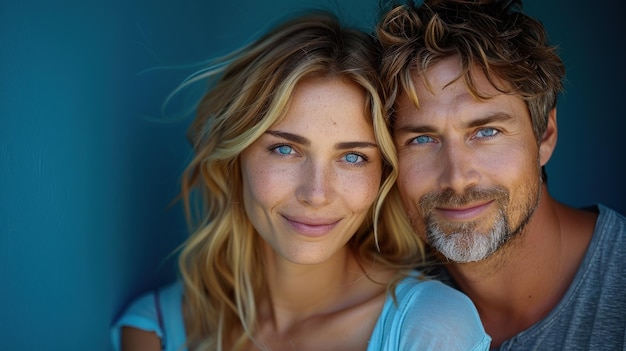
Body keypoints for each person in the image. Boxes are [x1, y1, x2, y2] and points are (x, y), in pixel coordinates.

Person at [111, 10, 491, 351]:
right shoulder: (156, 330)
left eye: (353, 157)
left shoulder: (433, 329)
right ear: (237, 155)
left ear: (383, 175)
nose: (316, 193)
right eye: (285, 149)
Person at [376, 0, 626, 350]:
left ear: (545, 136)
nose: (458, 178)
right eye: (422, 139)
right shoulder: (383, 303)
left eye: (486, 132)